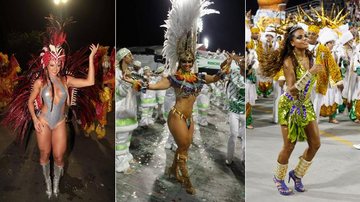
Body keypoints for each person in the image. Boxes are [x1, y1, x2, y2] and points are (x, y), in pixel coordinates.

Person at [132, 0, 226, 194]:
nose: (187, 63)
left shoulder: (198, 77)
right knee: (183, 146)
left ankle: (173, 169)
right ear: (179, 60)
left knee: (185, 147)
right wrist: (143, 84)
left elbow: (215, 78)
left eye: (190, 60)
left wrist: (223, 71)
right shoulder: (174, 78)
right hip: (176, 116)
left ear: (193, 61)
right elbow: (157, 85)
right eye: (184, 60)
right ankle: (187, 180)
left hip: (189, 118)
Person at [1, 15, 99, 198]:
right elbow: (30, 101)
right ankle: (47, 181)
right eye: (52, 64)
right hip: (44, 122)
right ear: (46, 64)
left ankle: (56, 183)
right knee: (44, 154)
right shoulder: (40, 81)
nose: (55, 68)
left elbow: (90, 81)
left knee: (60, 157)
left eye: (58, 64)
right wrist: (35, 119)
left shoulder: (66, 80)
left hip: (60, 122)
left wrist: (92, 57)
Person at [260, 25, 322, 195]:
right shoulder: (289, 61)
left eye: (306, 36)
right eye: (300, 37)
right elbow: (292, 89)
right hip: (289, 105)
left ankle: (297, 174)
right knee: (289, 145)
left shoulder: (310, 57)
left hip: (306, 105)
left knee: (315, 144)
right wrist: (310, 73)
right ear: (293, 42)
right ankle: (278, 178)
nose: (305, 39)